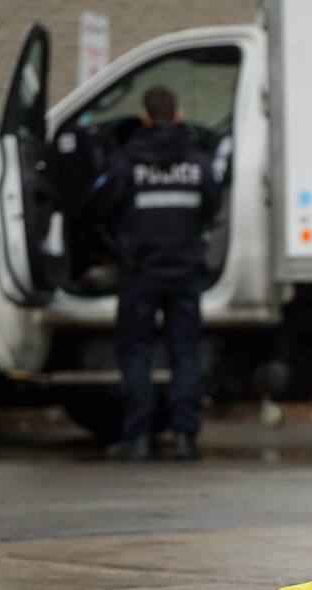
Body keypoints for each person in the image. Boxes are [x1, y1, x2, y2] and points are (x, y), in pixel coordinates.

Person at [93, 85, 222, 461]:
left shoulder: (127, 161)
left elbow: (104, 208)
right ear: (178, 115)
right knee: (185, 353)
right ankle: (185, 438)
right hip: (185, 271)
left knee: (136, 354)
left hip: (140, 271)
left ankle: (139, 438)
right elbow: (211, 207)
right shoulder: (197, 162)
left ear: (145, 118)